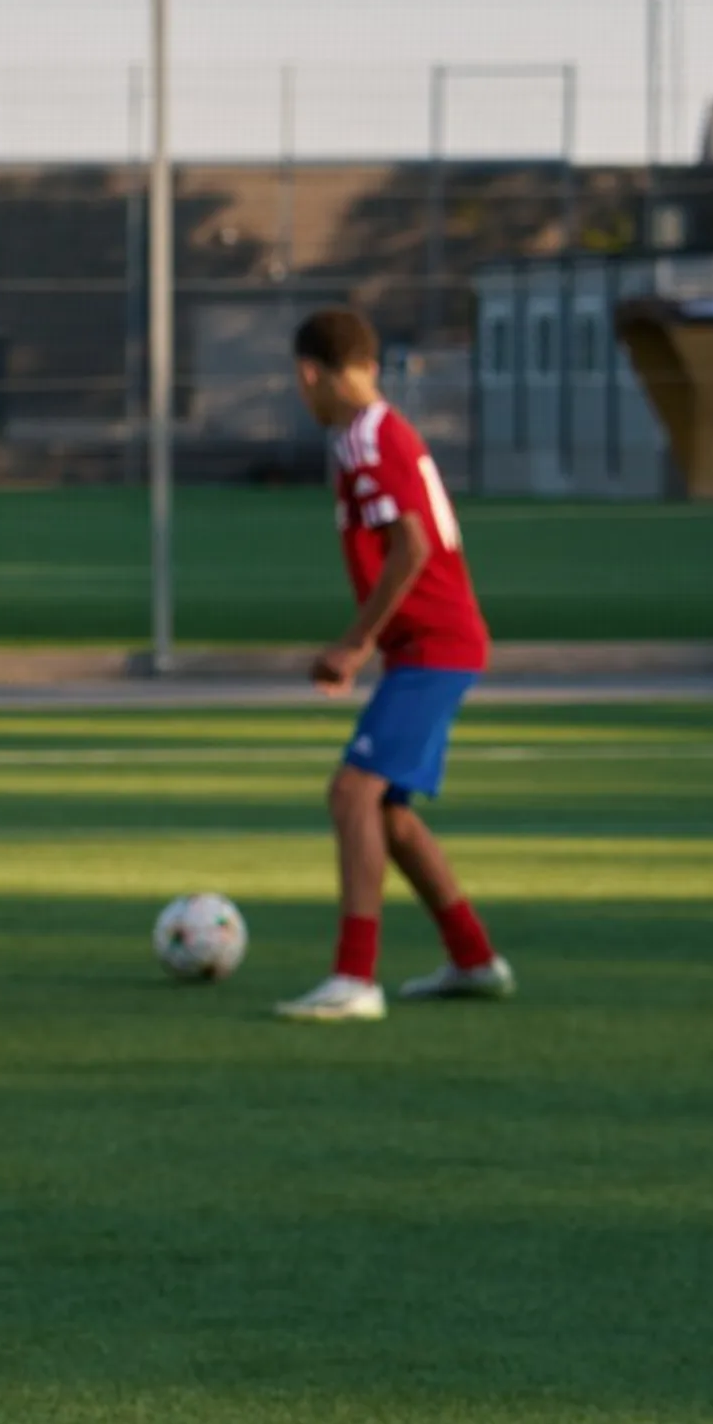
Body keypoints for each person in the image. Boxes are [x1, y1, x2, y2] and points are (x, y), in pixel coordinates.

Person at [274, 307, 513, 1022]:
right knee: (392, 817)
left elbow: (410, 546)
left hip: (435, 647)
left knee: (351, 795)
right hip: (432, 647)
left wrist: (355, 643)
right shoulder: (375, 433)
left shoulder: (367, 440)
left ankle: (355, 977)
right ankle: (474, 958)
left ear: (308, 373)